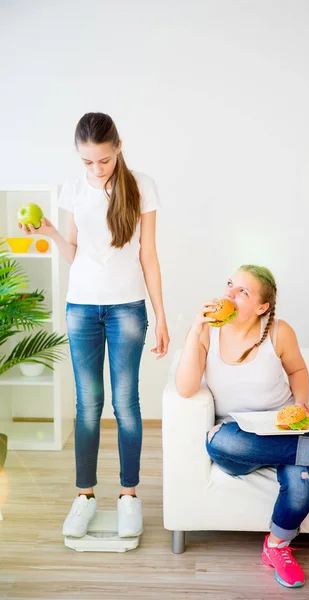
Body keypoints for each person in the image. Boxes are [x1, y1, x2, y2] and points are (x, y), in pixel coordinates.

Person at [175, 264, 309, 588]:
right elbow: (185, 388)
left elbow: (298, 371)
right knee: (219, 442)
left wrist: (300, 403)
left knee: (304, 480)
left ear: (262, 306)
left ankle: (276, 546)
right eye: (230, 284)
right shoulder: (209, 331)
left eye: (242, 291)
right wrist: (194, 331)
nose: (229, 294)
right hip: (239, 436)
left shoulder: (279, 331)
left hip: (284, 427)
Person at [19, 112, 170, 539]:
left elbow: (149, 257)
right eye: (88, 162)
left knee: (126, 405)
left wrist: (160, 316)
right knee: (88, 408)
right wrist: (49, 230)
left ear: (118, 147)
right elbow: (75, 254)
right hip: (81, 308)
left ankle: (128, 497)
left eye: (102, 160)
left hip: (127, 309)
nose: (96, 169)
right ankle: (84, 497)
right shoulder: (73, 189)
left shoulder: (142, 187)